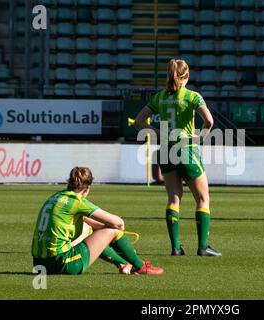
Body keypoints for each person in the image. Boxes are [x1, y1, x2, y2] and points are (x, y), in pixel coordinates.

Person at [134, 59, 222, 257]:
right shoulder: (192, 96)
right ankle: (203, 247)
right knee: (202, 198)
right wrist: (200, 137)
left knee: (174, 198)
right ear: (187, 76)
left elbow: (139, 121)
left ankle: (175, 247)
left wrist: (157, 132)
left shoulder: (159, 97)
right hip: (186, 148)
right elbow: (209, 120)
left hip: (166, 148)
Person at [31, 166, 164, 275]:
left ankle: (123, 263)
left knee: (89, 228)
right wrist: (116, 233)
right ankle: (141, 267)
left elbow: (88, 222)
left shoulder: (56, 196)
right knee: (112, 229)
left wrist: (102, 231)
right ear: (87, 188)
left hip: (39, 265)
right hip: (61, 264)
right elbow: (118, 223)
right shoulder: (77, 201)